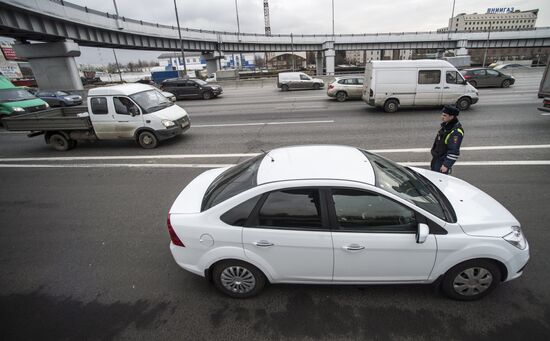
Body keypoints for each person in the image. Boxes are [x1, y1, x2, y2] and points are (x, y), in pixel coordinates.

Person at [430, 105, 464, 174]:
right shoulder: (446, 126)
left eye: (445, 115)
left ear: (451, 117)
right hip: (437, 159)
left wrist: (446, 165)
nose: (442, 117)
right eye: (442, 115)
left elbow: (454, 151)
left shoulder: (456, 132)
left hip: (442, 162)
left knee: (439, 182)